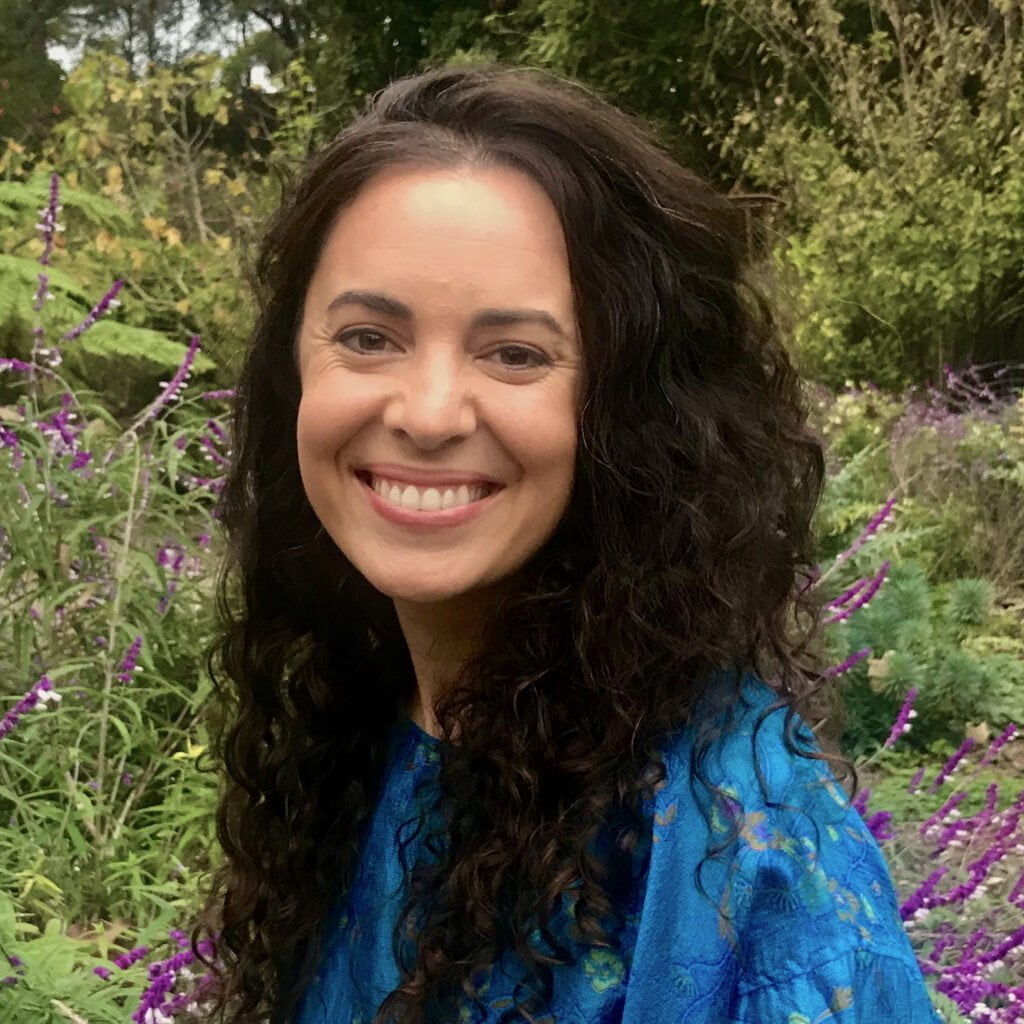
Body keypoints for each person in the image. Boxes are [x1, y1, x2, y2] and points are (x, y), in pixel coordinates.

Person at [194, 62, 941, 1024]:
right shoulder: (357, 719)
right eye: (370, 336)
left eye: (516, 353)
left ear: (631, 412)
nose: (425, 413)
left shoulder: (738, 841)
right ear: (291, 368)